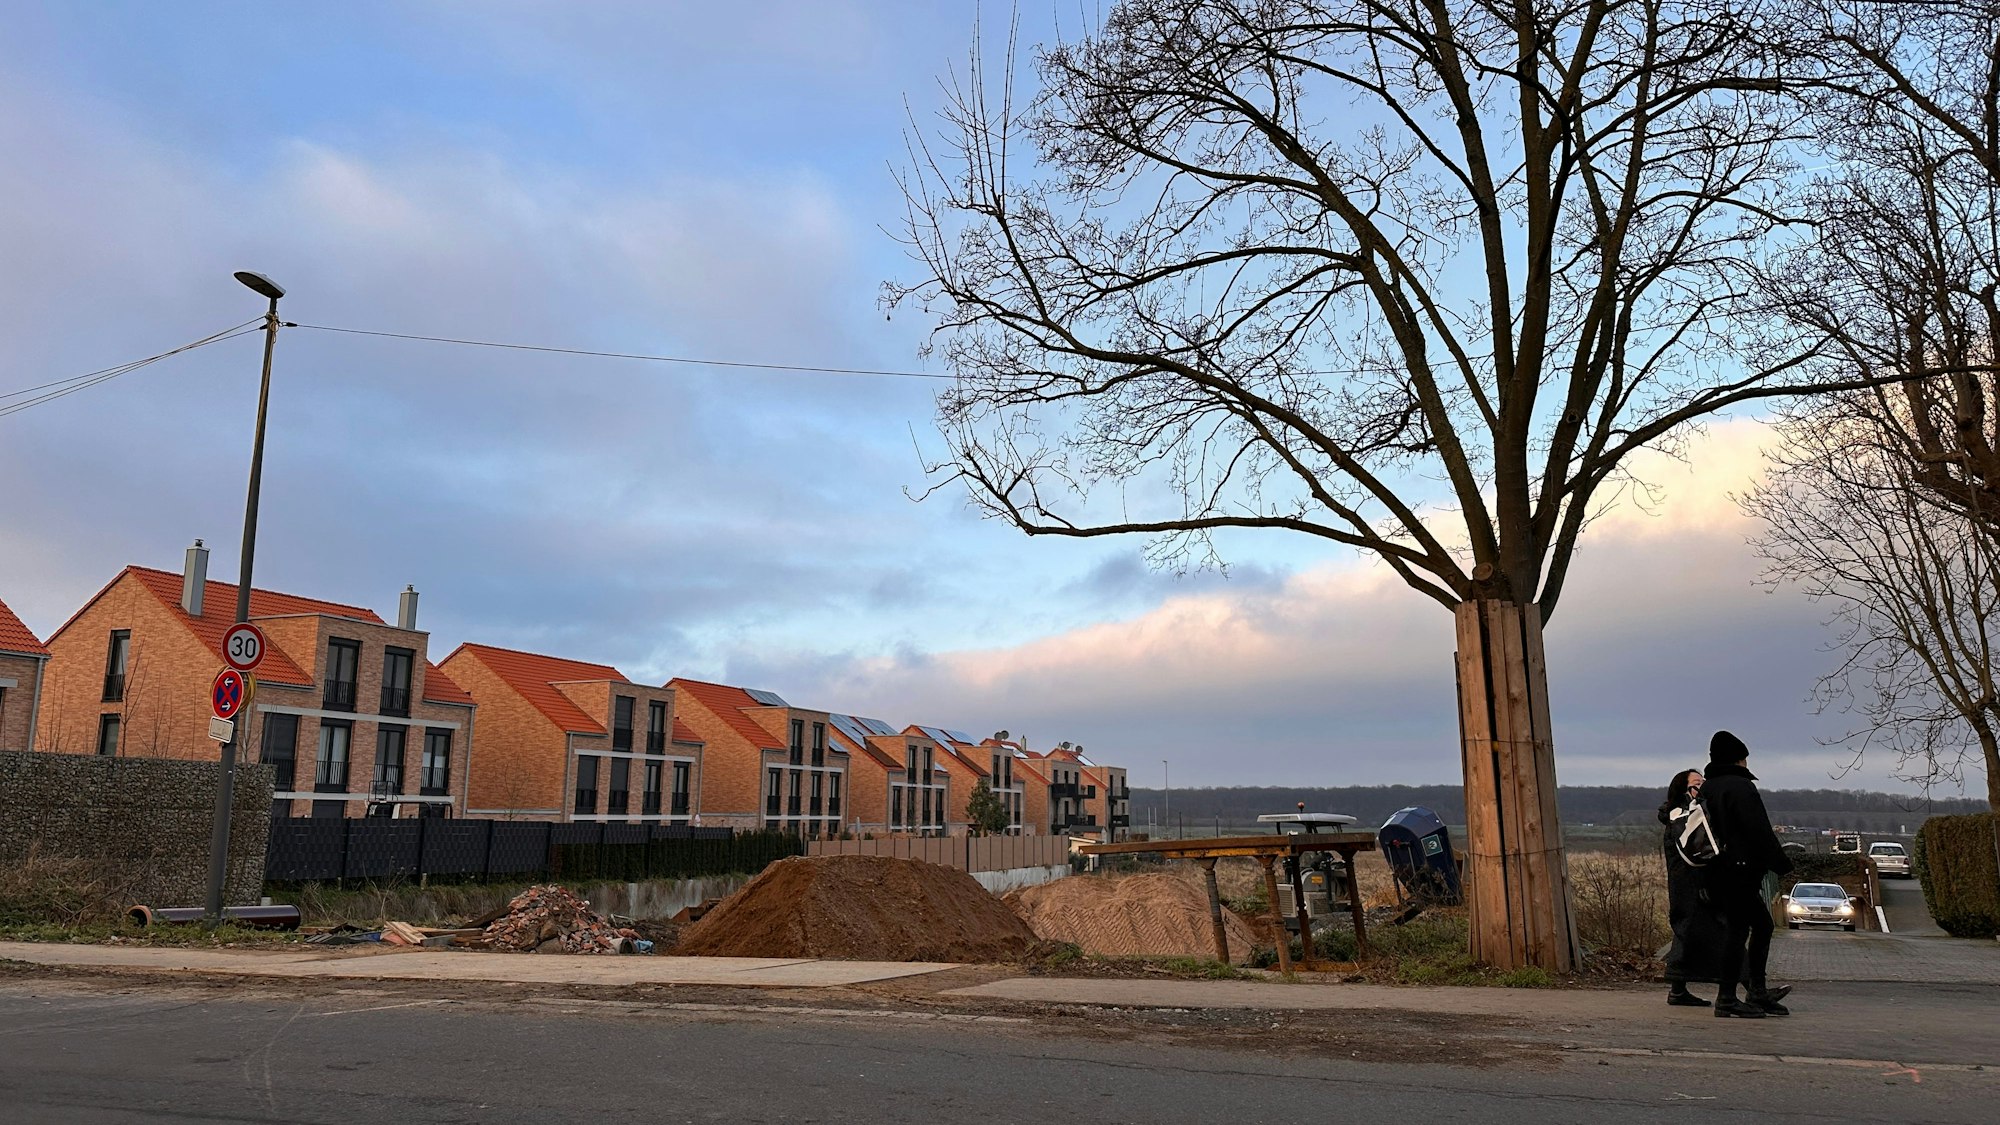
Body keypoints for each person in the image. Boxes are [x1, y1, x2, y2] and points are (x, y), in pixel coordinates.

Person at [1700, 730, 1794, 1018]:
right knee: (1742, 930)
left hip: (1716, 870)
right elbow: (1758, 830)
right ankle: (1729, 997)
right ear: (1739, 758)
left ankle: (1755, 991)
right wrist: (1783, 866)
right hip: (1740, 870)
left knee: (1758, 926)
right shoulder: (1741, 788)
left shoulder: (1709, 788)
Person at [1658, 768, 1727, 1006]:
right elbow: (1699, 854)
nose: (1702, 787)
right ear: (1684, 789)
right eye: (1697, 783)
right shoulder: (1682, 819)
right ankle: (1749, 988)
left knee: (1688, 934)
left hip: (1692, 886)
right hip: (1691, 886)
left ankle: (1678, 988)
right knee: (1721, 933)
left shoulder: (1685, 816)